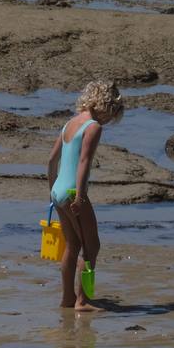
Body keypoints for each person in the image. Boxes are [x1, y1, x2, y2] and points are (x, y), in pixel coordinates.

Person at [47, 79, 124, 311]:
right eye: (111, 114)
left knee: (72, 244)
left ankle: (67, 298)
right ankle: (83, 300)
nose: (108, 120)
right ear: (106, 105)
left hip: (59, 189)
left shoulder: (69, 123)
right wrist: (80, 197)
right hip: (73, 191)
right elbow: (84, 162)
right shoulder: (92, 127)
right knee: (92, 246)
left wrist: (53, 192)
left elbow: (52, 160)